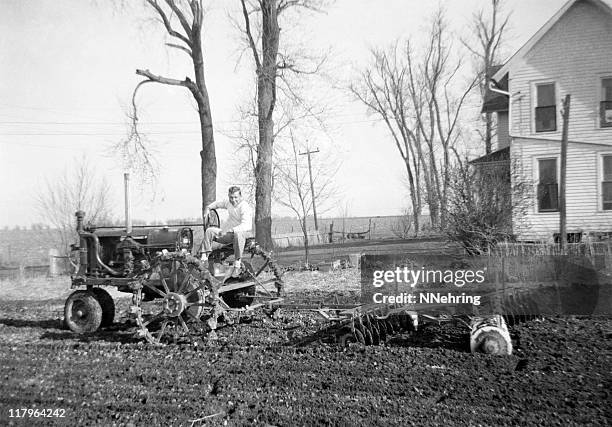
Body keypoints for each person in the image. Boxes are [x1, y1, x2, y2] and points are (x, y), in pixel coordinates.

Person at [200, 186, 252, 275]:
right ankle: (204, 258)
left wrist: (232, 230)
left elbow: (246, 225)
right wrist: (208, 208)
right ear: (229, 196)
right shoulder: (228, 203)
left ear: (240, 196)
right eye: (231, 197)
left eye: (236, 197)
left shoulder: (244, 207)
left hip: (244, 233)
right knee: (209, 231)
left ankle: (237, 264)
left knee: (238, 234)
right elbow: (217, 204)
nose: (233, 200)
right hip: (229, 233)